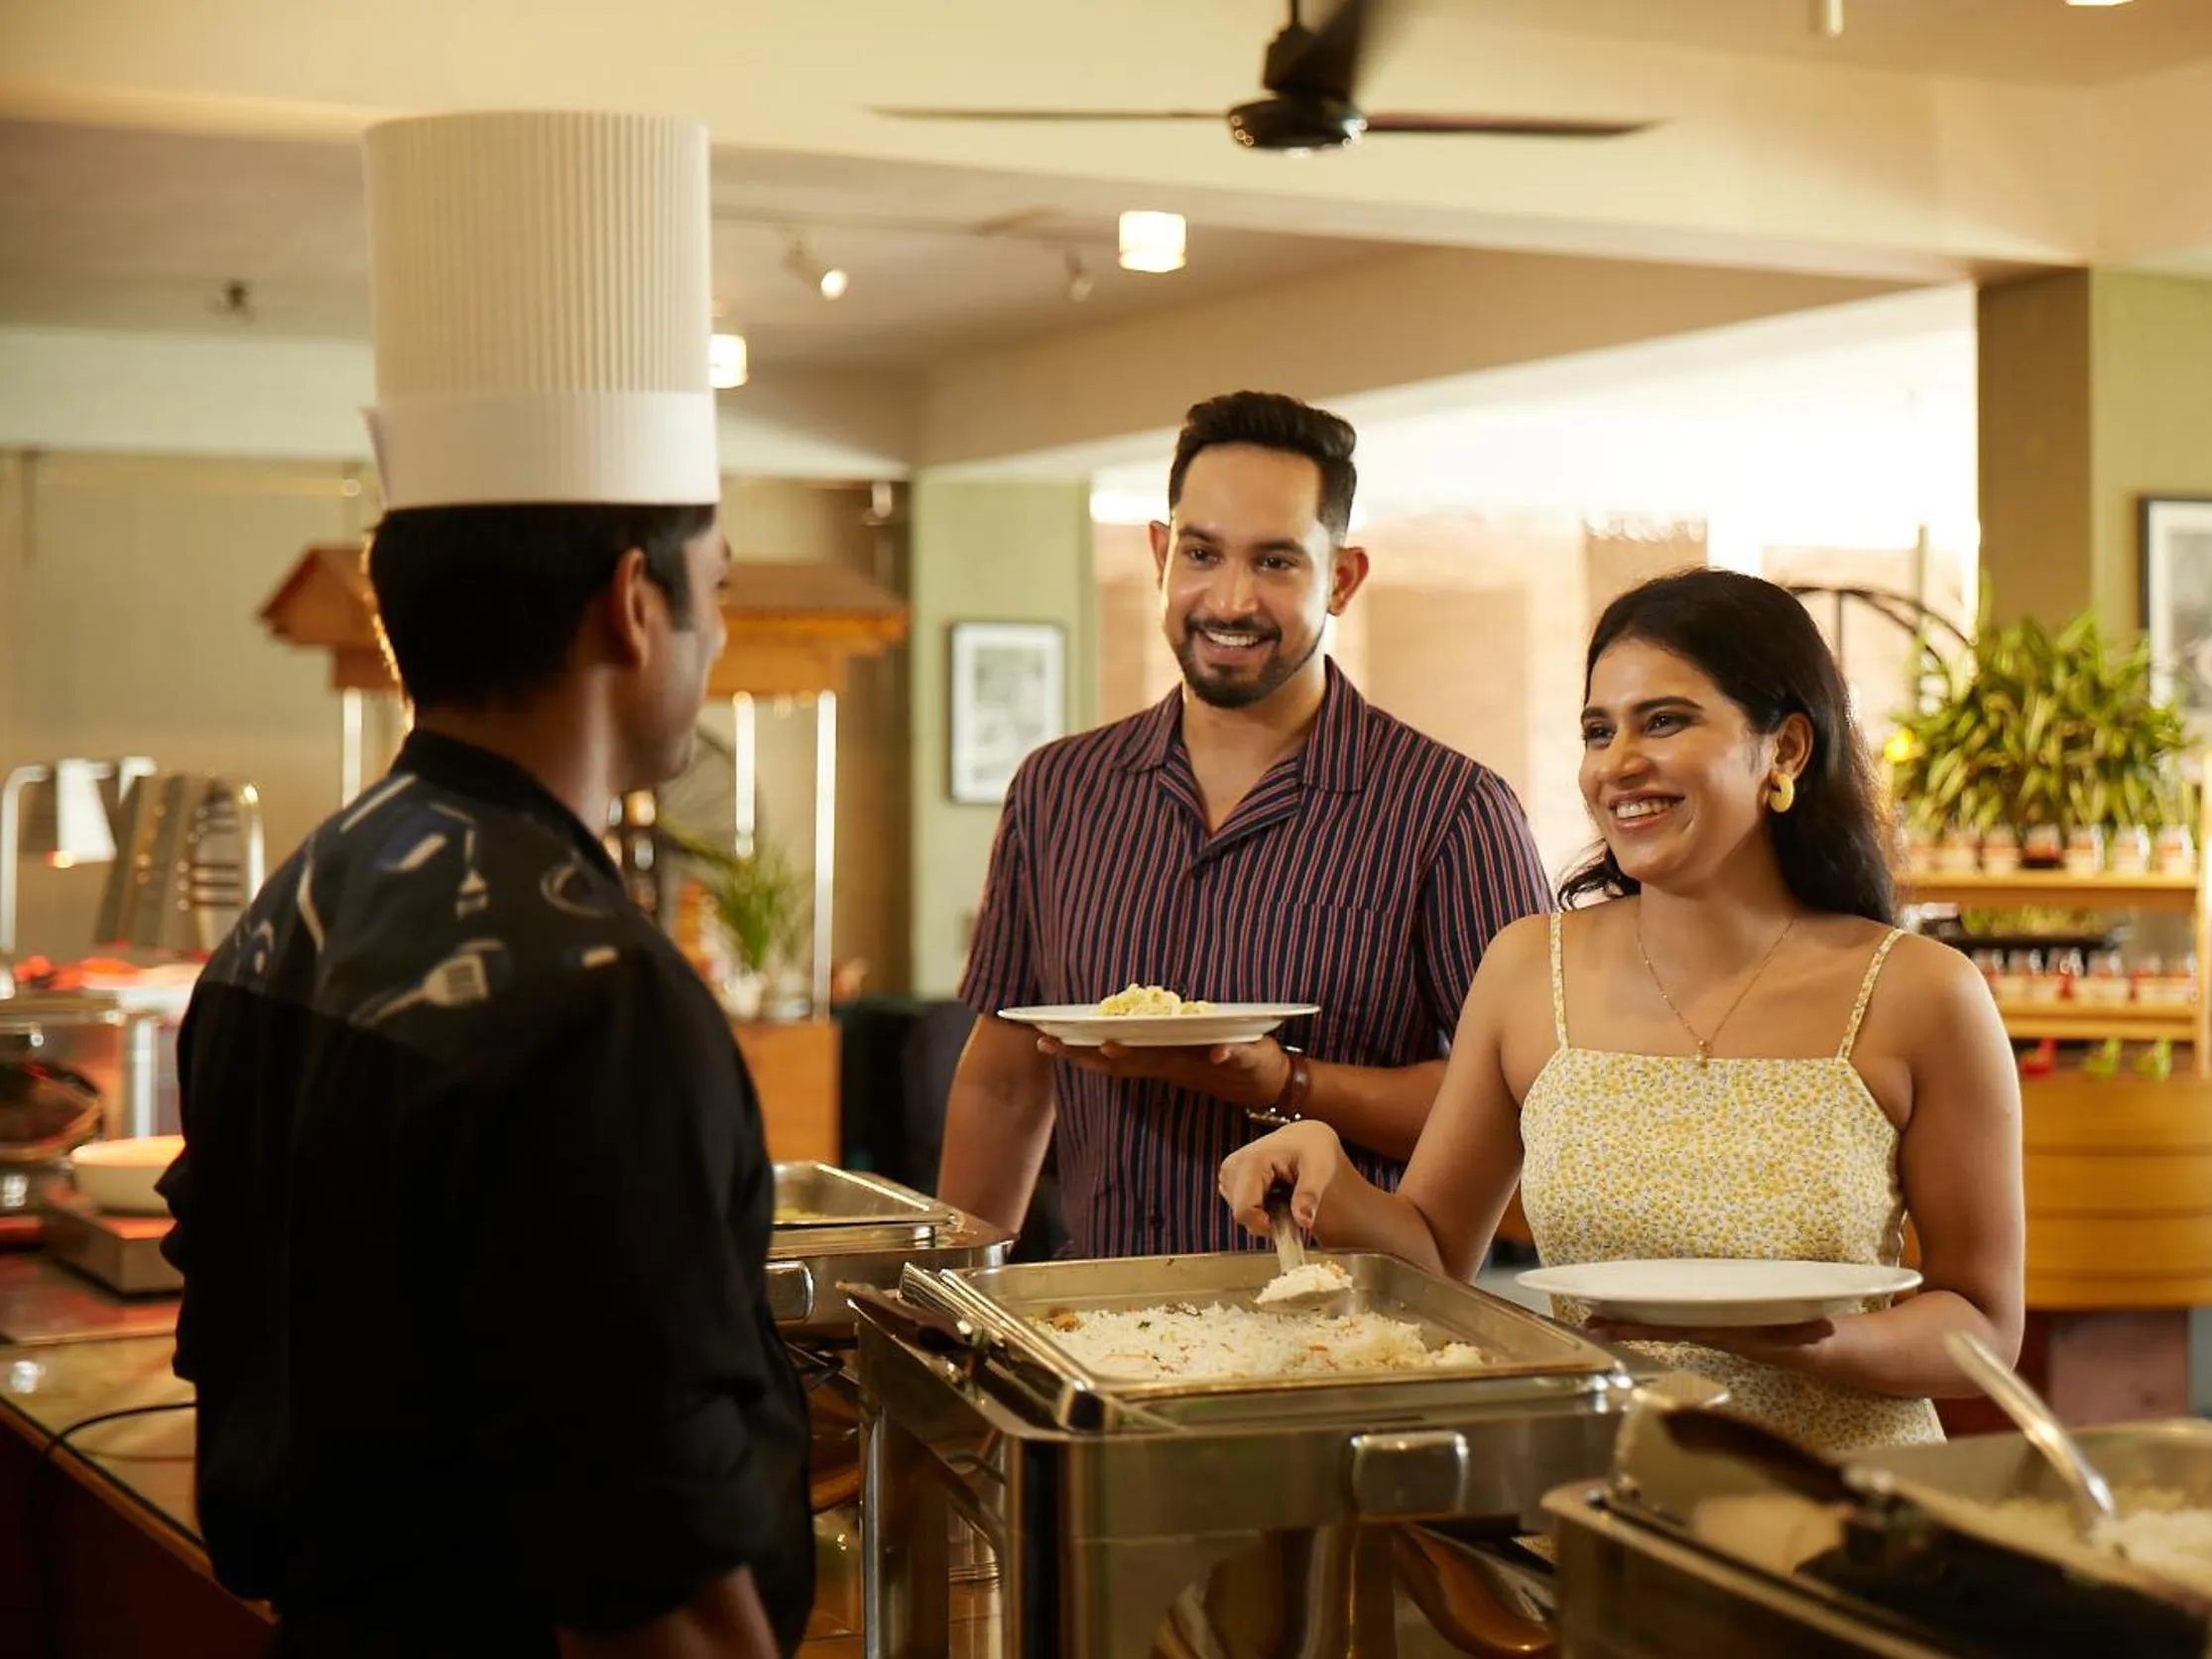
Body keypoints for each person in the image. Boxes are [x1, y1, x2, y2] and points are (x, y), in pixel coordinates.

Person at [162, 112, 810, 1657]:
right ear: (634, 604)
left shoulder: (289, 909)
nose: (719, 642)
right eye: (716, 595)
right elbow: (649, 1576)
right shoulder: (598, 1001)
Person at [1219, 569, 2025, 1455]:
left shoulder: (1922, 993)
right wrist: (1331, 1180)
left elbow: (1983, 1324)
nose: (1617, 765)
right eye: (1599, 731)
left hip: (1853, 1509)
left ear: (1787, 749)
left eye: (1665, 721)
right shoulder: (1528, 968)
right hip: (1606, 1498)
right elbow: (1437, 1258)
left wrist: (1815, 1343)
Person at [939, 390, 1553, 1258]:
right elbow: (1004, 1084)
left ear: (1341, 579)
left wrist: (1292, 1081)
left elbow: (1529, 1104)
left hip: (1341, 1326)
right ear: (1161, 554)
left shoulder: (1451, 811)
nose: (1230, 600)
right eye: (1202, 553)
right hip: (1098, 1317)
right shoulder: (1058, 791)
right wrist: (952, 1297)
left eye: (1275, 562)